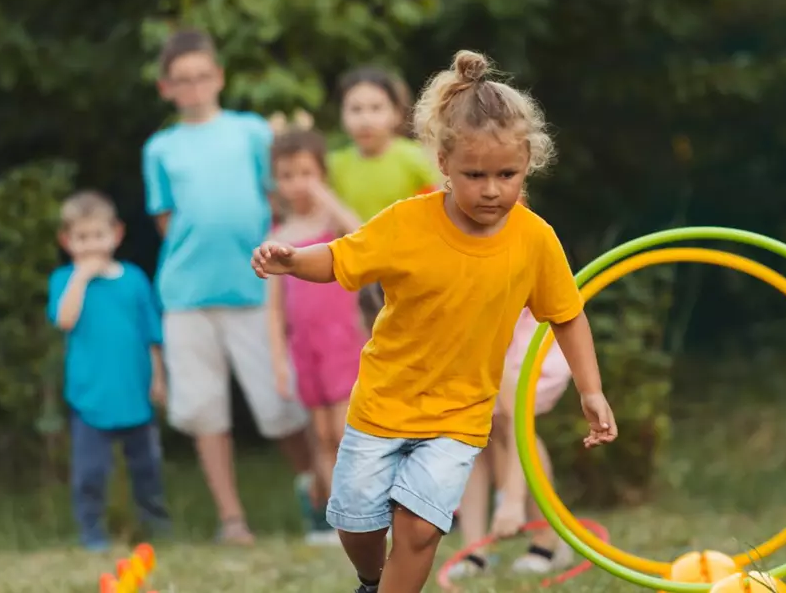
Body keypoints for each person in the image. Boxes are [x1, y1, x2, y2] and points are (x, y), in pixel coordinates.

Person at [250, 49, 619, 593]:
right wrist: (293, 261)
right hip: (383, 402)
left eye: (507, 174)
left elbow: (566, 315)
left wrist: (591, 389)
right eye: (475, 175)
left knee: (420, 530)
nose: (492, 189)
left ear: (528, 165)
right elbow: (342, 257)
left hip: (459, 415)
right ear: (443, 163)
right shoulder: (408, 222)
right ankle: (371, 579)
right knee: (356, 523)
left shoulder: (535, 238)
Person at [142, 28, 313, 546]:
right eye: (182, 81)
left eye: (202, 77)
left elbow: (278, 198)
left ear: (218, 76)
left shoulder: (251, 132)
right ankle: (232, 520)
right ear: (166, 87)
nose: (194, 87)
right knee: (204, 410)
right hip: (187, 297)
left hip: (256, 290)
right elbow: (166, 220)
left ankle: (322, 500)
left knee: (279, 405)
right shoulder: (161, 148)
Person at [47, 190, 172, 552]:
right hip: (90, 397)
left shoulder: (133, 279)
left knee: (147, 467)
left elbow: (152, 335)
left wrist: (159, 378)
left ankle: (156, 525)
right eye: (81, 238)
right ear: (66, 241)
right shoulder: (63, 280)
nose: (90, 246)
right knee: (90, 473)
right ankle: (92, 533)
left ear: (116, 234)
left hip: (135, 392)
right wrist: (81, 279)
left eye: (97, 236)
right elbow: (64, 320)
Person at [266, 127, 367, 546]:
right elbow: (273, 310)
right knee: (321, 436)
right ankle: (332, 517)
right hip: (304, 348)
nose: (297, 183)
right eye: (287, 175)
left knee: (347, 432)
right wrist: (278, 362)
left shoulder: (333, 223)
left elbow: (363, 237)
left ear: (321, 173)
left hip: (342, 340)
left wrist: (328, 198)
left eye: (306, 173)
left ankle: (365, 513)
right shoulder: (279, 234)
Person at [447, 307, 576, 579]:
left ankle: (547, 539)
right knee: (472, 431)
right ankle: (475, 551)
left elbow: (518, 417)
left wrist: (512, 501)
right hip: (478, 324)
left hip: (516, 327)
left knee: (509, 421)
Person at [327, 67, 442, 331]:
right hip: (359, 278)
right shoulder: (335, 165)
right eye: (355, 109)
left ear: (397, 113)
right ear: (343, 115)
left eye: (376, 108)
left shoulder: (415, 158)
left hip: (409, 273)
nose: (365, 119)